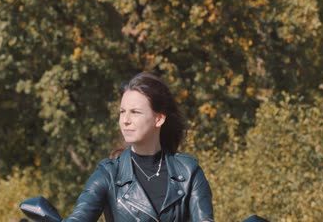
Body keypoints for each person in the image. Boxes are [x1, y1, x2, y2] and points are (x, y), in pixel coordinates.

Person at [66, 72, 214, 222]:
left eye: (135, 112)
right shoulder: (108, 174)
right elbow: (78, 218)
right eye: (122, 112)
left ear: (159, 119)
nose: (125, 120)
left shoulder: (188, 171)